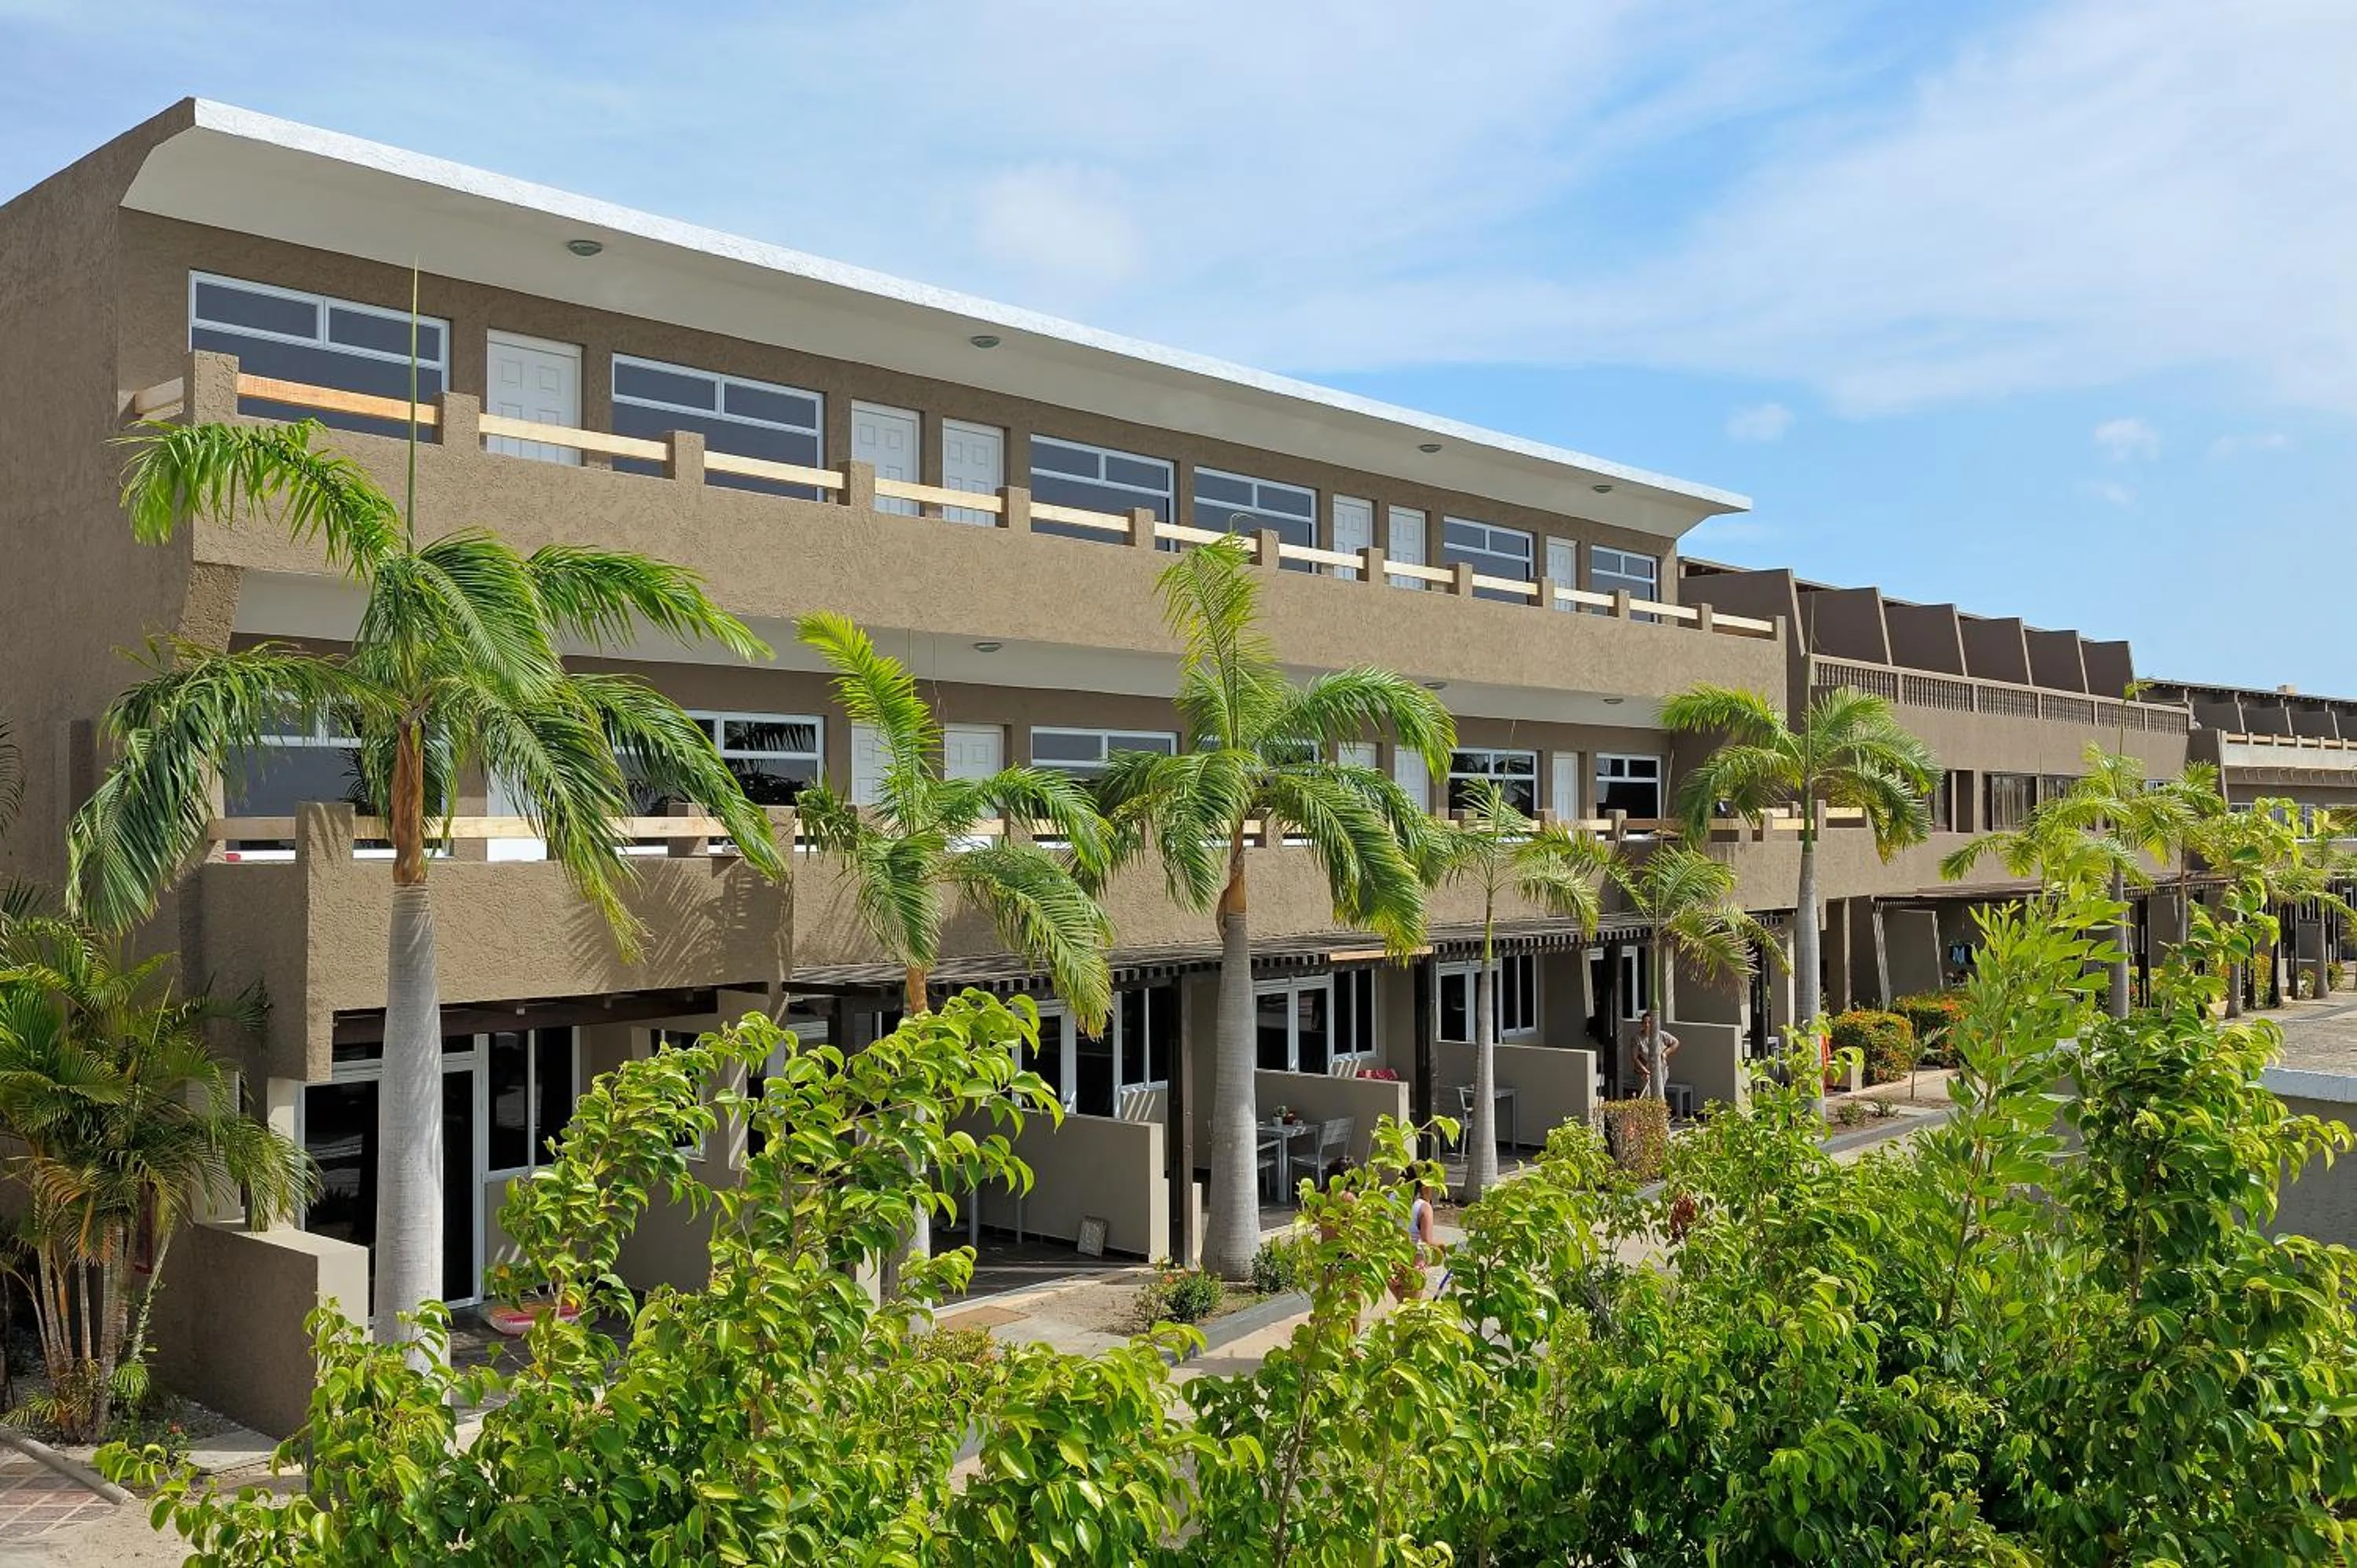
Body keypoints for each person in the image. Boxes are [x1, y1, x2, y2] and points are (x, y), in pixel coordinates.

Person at [1636, 1008, 1681, 1100]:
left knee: (1658, 1094)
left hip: (1661, 1070)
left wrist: (1665, 1053)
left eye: (1649, 1023)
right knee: (1646, 1096)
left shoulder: (1662, 1035)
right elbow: (1635, 1057)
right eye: (1644, 1023)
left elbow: (1676, 1042)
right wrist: (1646, 1071)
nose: (1647, 1025)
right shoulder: (1638, 1038)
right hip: (1645, 1071)